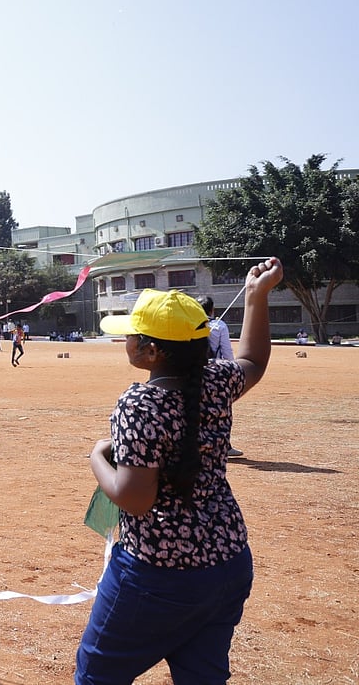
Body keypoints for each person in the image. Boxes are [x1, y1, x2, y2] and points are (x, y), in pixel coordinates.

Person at [77, 257, 284, 685]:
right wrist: (256, 296)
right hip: (227, 562)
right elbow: (255, 360)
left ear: (152, 351)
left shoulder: (140, 404)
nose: (127, 341)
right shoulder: (218, 380)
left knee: (97, 676)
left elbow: (135, 498)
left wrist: (97, 456)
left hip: (158, 573)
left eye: (132, 336)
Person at [200, 296, 242, 457]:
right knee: (222, 409)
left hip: (191, 371)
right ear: (212, 310)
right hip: (215, 372)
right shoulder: (219, 326)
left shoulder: (189, 325)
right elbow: (227, 352)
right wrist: (233, 369)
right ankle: (225, 445)